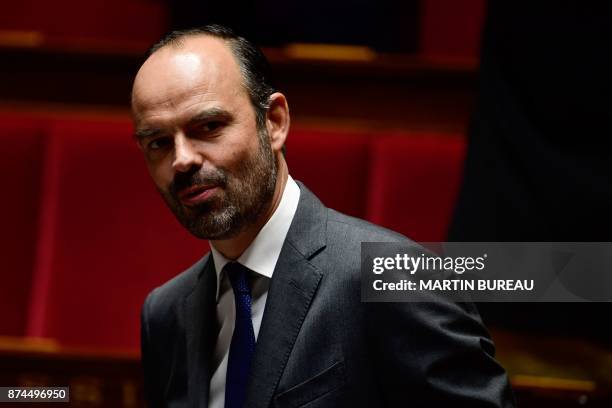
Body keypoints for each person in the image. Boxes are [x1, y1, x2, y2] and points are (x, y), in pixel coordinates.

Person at [132, 25, 514, 407]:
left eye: (209, 126)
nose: (181, 160)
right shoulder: (166, 314)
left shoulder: (394, 278)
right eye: (159, 142)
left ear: (275, 122)